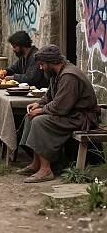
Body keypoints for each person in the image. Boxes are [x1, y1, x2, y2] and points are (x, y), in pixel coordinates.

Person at [18, 45, 100, 183]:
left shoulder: (69, 76)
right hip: (70, 114)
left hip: (80, 118)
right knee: (30, 117)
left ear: (51, 62)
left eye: (42, 64)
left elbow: (61, 107)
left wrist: (42, 110)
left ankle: (46, 170)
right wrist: (38, 104)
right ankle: (36, 163)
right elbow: (50, 95)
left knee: (39, 121)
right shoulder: (56, 73)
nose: (41, 68)